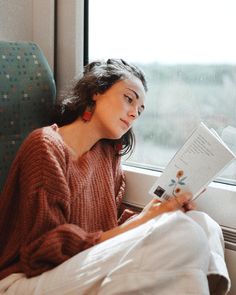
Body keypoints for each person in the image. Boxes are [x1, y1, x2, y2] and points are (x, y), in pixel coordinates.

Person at [0, 59, 230, 294]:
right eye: (129, 99)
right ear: (96, 91)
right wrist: (145, 222)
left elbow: (110, 227)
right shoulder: (44, 146)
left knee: (202, 223)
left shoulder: (107, 156)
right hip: (25, 279)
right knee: (185, 233)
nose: (133, 114)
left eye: (139, 111)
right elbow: (39, 254)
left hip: (76, 265)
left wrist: (156, 213)